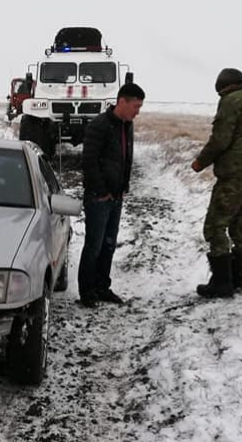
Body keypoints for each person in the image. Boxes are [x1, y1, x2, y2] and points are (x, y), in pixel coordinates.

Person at [191, 68, 242, 299]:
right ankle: (240, 279)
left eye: (220, 93)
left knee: (215, 226)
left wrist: (200, 162)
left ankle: (221, 283)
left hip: (233, 176)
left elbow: (220, 139)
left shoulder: (231, 101)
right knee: (241, 227)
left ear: (225, 87)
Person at [77, 82, 145, 308]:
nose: (138, 111)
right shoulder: (99, 125)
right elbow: (89, 161)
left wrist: (123, 187)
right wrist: (102, 191)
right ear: (122, 101)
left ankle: (102, 287)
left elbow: (125, 158)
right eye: (135, 106)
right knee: (94, 246)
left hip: (116, 197)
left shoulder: (127, 126)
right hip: (99, 197)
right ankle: (87, 292)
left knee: (108, 244)